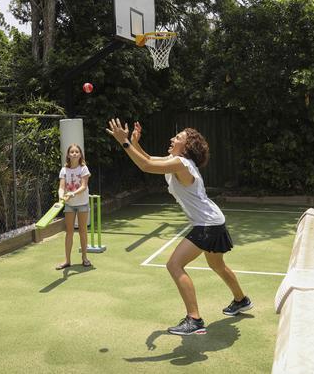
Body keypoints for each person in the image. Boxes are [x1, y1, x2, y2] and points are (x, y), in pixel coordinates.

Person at [106, 119, 252, 336]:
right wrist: (135, 142)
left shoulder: (181, 164)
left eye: (178, 138)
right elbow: (147, 159)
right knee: (217, 266)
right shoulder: (176, 161)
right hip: (213, 221)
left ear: (186, 147)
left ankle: (194, 319)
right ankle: (241, 300)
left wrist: (124, 142)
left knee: (174, 265)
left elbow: (145, 166)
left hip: (207, 224)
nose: (172, 139)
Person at [56, 144, 92, 269]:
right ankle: (67, 260)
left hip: (82, 203)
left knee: (83, 231)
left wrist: (72, 193)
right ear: (68, 155)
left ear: (80, 154)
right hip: (69, 205)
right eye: (72, 152)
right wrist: (61, 196)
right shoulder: (64, 170)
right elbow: (61, 188)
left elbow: (83, 186)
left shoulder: (84, 168)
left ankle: (84, 258)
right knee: (69, 232)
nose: (75, 153)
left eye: (77, 151)